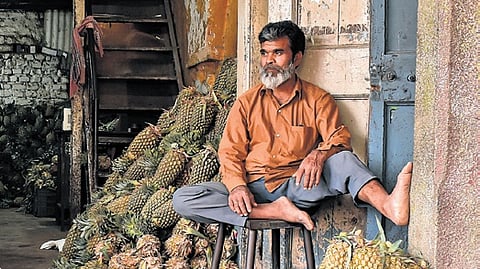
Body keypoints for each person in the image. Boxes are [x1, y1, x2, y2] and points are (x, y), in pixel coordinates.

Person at [172, 20, 412, 231]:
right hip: (253, 189)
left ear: (296, 58)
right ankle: (275, 210)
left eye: (278, 53)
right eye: (265, 53)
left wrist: (320, 154)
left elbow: (339, 139)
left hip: (299, 186)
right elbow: (230, 153)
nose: (269, 61)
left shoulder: (318, 99)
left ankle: (390, 207)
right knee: (184, 199)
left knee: (345, 161)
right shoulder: (246, 103)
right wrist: (236, 187)